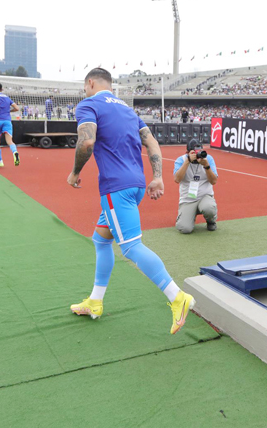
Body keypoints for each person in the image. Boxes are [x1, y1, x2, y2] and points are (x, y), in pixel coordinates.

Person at [67, 68, 195, 334]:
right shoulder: (128, 111)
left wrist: (75, 172)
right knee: (101, 240)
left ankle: (177, 297)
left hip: (116, 188)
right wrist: (158, 177)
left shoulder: (89, 104)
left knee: (131, 247)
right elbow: (152, 143)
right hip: (135, 185)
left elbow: (87, 142)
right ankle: (95, 301)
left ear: (90, 83)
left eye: (85, 86)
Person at [173, 138, 218, 233]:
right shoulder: (181, 160)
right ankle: (187, 216)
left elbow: (214, 181)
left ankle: (211, 221)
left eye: (200, 151)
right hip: (188, 199)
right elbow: (177, 179)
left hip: (204, 196)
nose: (198, 154)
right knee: (184, 229)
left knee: (208, 208)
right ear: (187, 152)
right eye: (195, 152)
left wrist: (206, 166)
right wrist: (187, 161)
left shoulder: (208, 159)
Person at [0, 82, 20, 168]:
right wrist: (8, 111)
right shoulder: (7, 98)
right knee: (9, 141)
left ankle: (0, 161)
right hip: (7, 121)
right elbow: (17, 108)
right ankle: (15, 152)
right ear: (2, 89)